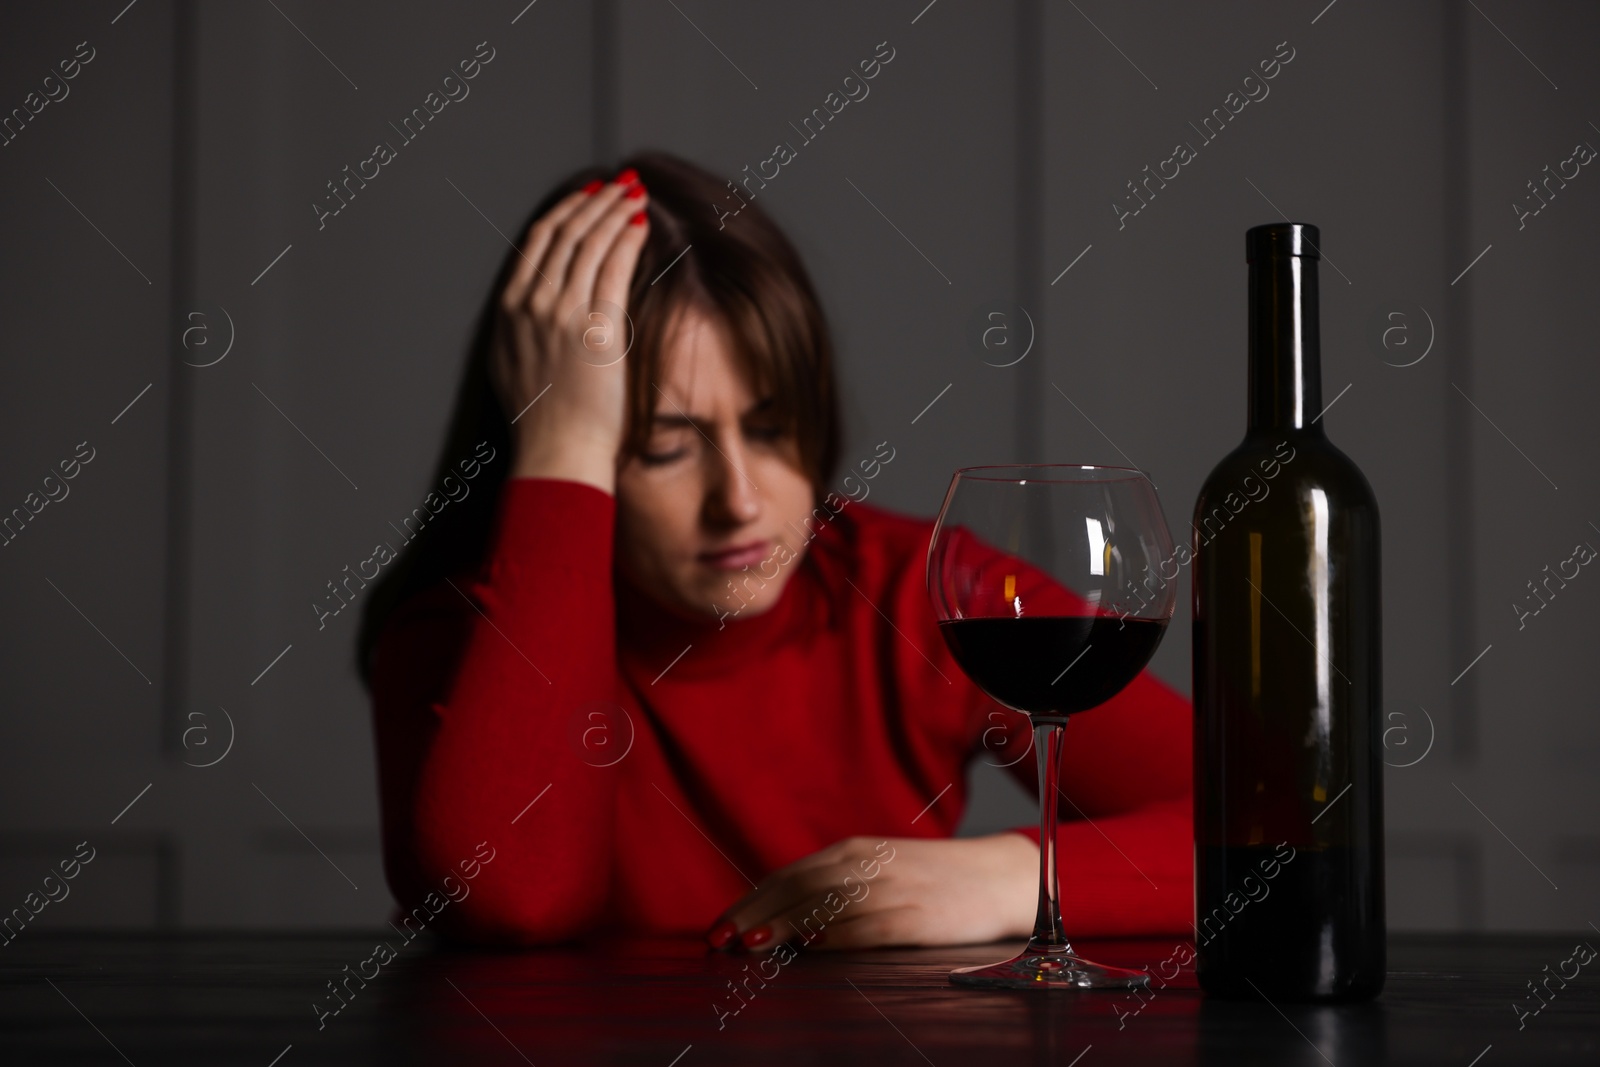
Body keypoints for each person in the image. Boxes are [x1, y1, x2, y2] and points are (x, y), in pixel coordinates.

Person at [358, 151, 1191, 952]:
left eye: (769, 429)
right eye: (663, 447)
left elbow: (1287, 823)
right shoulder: (463, 630)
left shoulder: (913, 587)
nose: (743, 503)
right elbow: (509, 899)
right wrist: (562, 440)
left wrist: (1018, 877)